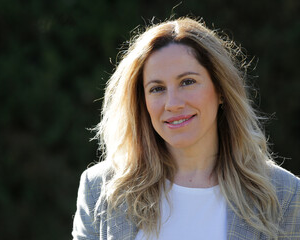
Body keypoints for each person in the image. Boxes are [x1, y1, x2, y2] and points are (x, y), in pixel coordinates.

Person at [72, 17, 300, 240]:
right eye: (157, 88)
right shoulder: (100, 188)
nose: (173, 103)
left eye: (187, 82)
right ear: (141, 101)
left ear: (221, 89)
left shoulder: (284, 193)